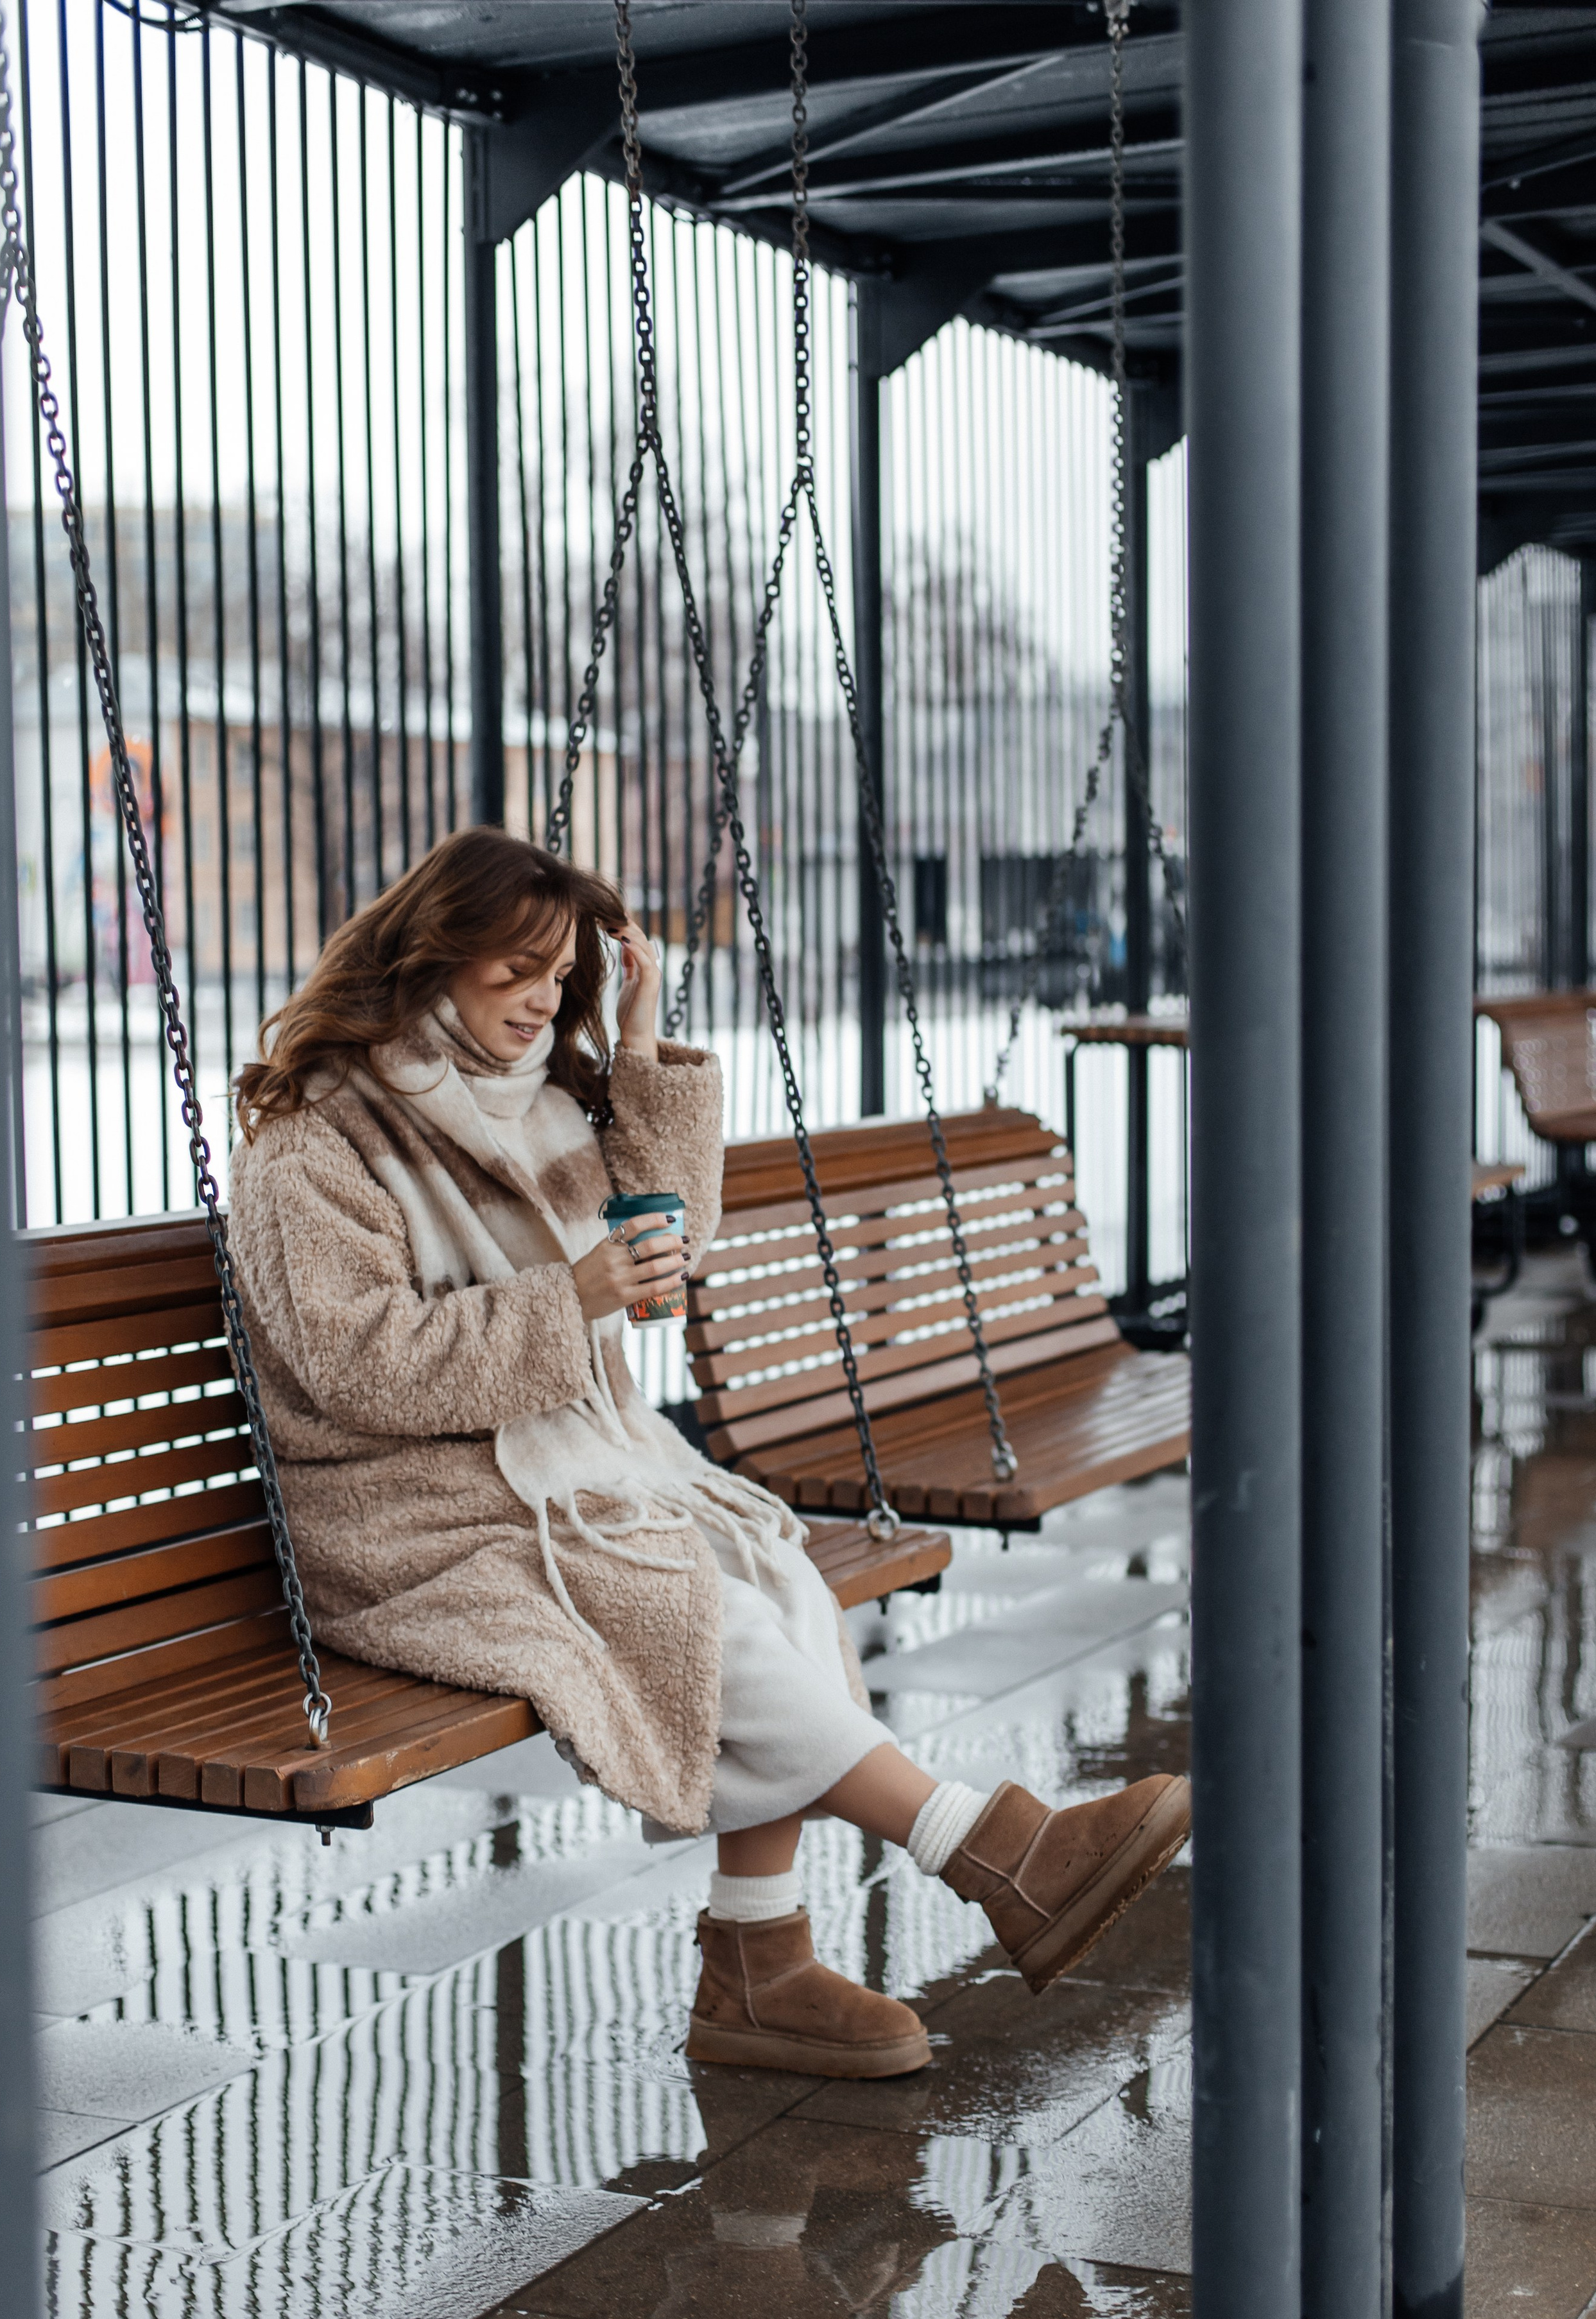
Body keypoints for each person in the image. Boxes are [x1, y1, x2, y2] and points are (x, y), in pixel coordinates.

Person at [230, 831, 1191, 2079]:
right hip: (405, 1516)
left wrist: (631, 1051)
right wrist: (563, 1297)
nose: (538, 1000)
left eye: (559, 975)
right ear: (434, 953)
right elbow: (355, 1368)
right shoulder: (317, 1139)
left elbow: (671, 1215)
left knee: (765, 1570)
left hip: (554, 1473)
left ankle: (758, 1966)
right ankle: (987, 1850)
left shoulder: (535, 1103)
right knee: (691, 1608)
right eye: (515, 970)